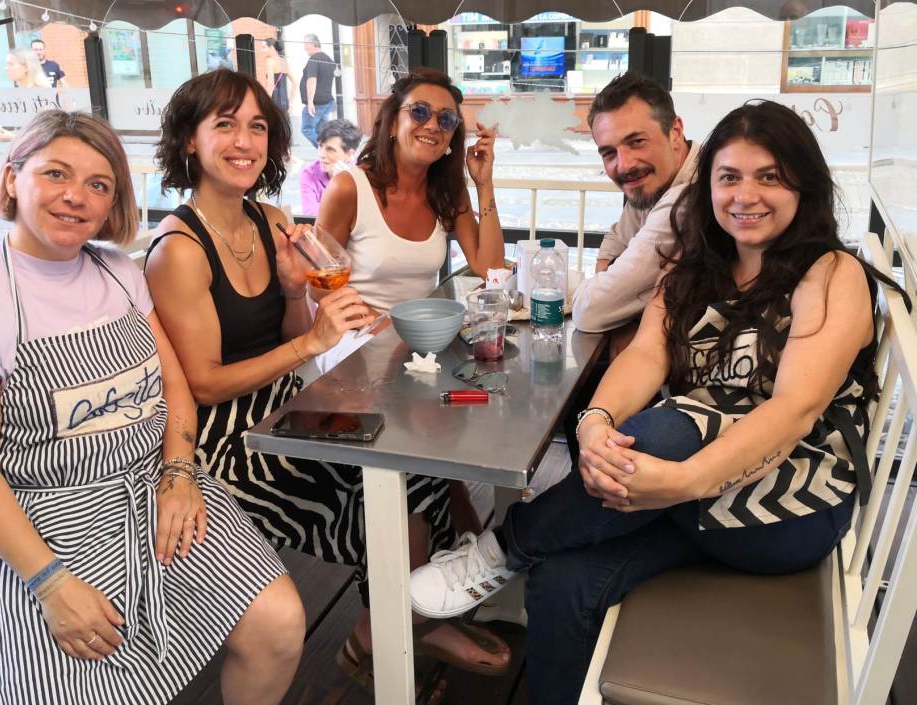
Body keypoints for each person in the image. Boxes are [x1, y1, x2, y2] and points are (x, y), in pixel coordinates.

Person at [410, 101, 908, 705]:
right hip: (681, 500)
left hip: (787, 505)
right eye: (729, 177)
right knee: (562, 580)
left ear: (803, 184)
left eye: (770, 177)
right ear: (708, 186)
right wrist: (595, 423)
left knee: (670, 428)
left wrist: (684, 482)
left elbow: (793, 411)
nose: (746, 195)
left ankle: (506, 546)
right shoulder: (695, 269)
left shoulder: (829, 273)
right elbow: (646, 355)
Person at [0, 110, 305, 705]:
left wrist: (180, 473)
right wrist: (49, 583)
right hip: (45, 529)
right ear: (12, 178)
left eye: (99, 184)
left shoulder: (120, 273)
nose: (77, 197)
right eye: (56, 174)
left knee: (278, 622)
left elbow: (175, 389)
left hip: (158, 488)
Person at [145, 69, 510, 695]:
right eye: (225, 126)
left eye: (257, 127)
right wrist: (313, 341)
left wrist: (296, 295)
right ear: (188, 140)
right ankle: (401, 625)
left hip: (291, 402)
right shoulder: (179, 247)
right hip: (226, 438)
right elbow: (203, 386)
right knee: (397, 477)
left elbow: (294, 323)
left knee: (416, 466)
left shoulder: (268, 218)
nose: (244, 141)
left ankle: (392, 626)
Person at [317, 68, 505, 314]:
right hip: (358, 333)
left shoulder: (448, 192)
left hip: (423, 333)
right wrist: (386, 327)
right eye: (419, 112)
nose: (433, 125)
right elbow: (319, 288)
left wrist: (484, 184)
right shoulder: (348, 188)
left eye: (446, 119)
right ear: (393, 123)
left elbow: (491, 268)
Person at [571, 72, 698, 340]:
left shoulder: (687, 198)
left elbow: (589, 310)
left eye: (637, 142)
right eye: (609, 153)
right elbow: (615, 241)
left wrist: (610, 296)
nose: (625, 165)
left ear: (675, 132)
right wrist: (614, 288)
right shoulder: (656, 181)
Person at [299, 118, 362, 216]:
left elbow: (362, 215)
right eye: (320, 146)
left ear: (350, 154)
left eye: (330, 150)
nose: (321, 155)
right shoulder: (309, 173)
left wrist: (345, 184)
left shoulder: (362, 173)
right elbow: (311, 216)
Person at [299, 33, 335, 147]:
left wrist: (310, 102)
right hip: (326, 102)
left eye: (305, 44)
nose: (304, 48)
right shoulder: (328, 59)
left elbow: (312, 80)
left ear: (312, 43)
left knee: (307, 129)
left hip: (316, 104)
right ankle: (328, 151)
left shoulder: (313, 60)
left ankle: (326, 149)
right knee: (323, 132)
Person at [259, 38, 295, 118]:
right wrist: (291, 103)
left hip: (274, 103)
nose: (261, 50)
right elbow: (295, 82)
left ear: (271, 48)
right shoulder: (283, 61)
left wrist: (265, 104)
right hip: (285, 104)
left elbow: (270, 85)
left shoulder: (270, 62)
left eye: (263, 47)